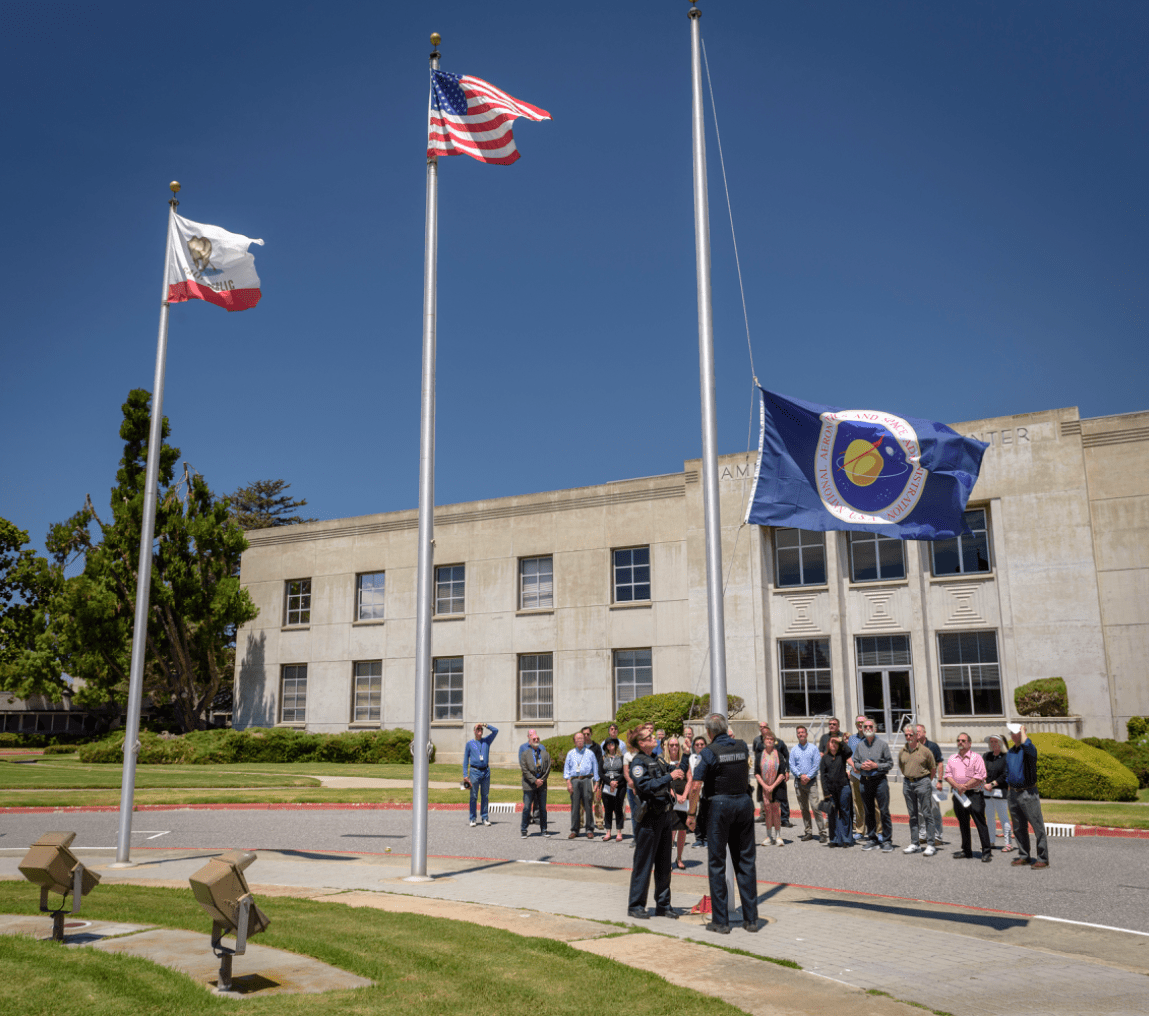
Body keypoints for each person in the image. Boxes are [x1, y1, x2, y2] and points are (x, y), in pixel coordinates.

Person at [692, 713, 759, 934]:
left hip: (719, 807)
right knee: (745, 862)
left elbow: (695, 785)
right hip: (743, 803)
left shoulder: (709, 752)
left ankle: (721, 922)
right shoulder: (741, 746)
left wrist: (691, 814)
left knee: (717, 864)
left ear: (709, 732)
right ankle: (751, 920)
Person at [626, 728, 683, 920]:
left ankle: (663, 905)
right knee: (643, 864)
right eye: (649, 737)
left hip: (665, 816)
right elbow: (644, 786)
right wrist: (669, 777)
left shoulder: (657, 759)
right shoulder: (638, 763)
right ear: (641, 743)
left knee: (664, 864)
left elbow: (668, 769)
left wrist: (675, 769)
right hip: (649, 818)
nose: (653, 739)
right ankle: (635, 905)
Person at [1005, 723, 1049, 869]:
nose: (1012, 735)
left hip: (1028, 793)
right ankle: (1024, 856)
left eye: (1015, 732)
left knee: (1037, 827)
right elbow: (1008, 771)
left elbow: (1027, 744)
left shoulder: (1029, 749)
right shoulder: (1011, 752)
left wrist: (1023, 731)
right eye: (1010, 733)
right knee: (1018, 827)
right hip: (1013, 794)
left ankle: (1042, 858)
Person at [944, 732, 993, 862]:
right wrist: (957, 786)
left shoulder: (976, 758)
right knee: (963, 823)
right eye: (958, 740)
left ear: (969, 744)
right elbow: (947, 775)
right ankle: (966, 851)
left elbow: (980, 775)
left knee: (980, 823)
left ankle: (986, 851)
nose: (960, 742)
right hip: (959, 795)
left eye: (963, 741)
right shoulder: (952, 758)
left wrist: (964, 786)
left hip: (974, 794)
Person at [853, 720, 894, 852]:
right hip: (865, 781)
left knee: (884, 811)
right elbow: (855, 762)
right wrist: (861, 766)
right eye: (866, 726)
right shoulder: (860, 746)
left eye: (871, 726)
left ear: (875, 728)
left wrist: (876, 766)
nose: (868, 728)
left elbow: (890, 764)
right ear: (863, 729)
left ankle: (887, 840)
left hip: (879, 781)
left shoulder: (882, 744)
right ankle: (872, 839)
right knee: (868, 811)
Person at [898, 725, 938, 856]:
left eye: (911, 735)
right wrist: (910, 777)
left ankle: (931, 844)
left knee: (927, 814)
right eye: (906, 735)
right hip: (908, 783)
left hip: (923, 783)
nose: (908, 737)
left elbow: (933, 768)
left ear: (916, 735)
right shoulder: (902, 751)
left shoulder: (925, 751)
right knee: (913, 815)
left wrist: (925, 781)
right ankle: (915, 843)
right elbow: (901, 766)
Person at [789, 725, 826, 842]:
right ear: (797, 735)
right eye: (798, 733)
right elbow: (792, 765)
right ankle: (808, 832)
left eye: (802, 732)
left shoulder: (813, 748)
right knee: (804, 808)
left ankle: (822, 833)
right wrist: (800, 776)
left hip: (811, 783)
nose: (801, 734)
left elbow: (817, 764)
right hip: (799, 783)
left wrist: (808, 777)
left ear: (806, 734)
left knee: (815, 807)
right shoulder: (794, 750)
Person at [753, 723, 793, 827]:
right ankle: (767, 817)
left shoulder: (779, 743)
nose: (767, 737)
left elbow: (787, 756)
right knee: (765, 797)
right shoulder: (759, 744)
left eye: (768, 733)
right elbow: (757, 758)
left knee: (782, 797)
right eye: (764, 735)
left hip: (779, 774)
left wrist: (787, 771)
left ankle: (784, 819)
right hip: (765, 776)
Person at [820, 734, 854, 846]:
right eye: (831, 742)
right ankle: (834, 839)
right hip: (831, 791)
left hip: (843, 788)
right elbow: (823, 776)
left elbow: (849, 752)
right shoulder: (825, 758)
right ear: (828, 745)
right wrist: (826, 793)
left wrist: (840, 742)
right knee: (832, 814)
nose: (833, 744)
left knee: (845, 812)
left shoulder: (842, 755)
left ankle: (846, 839)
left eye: (835, 743)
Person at [564, 731, 599, 839]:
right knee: (575, 807)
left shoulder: (590, 753)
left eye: (581, 738)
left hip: (587, 780)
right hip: (575, 780)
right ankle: (575, 830)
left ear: (584, 740)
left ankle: (589, 829)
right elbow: (567, 770)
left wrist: (597, 782)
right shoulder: (570, 753)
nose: (580, 740)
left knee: (588, 805)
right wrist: (568, 782)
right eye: (577, 739)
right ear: (574, 741)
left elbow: (595, 768)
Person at [917, 723, 947, 846]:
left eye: (919, 731)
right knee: (920, 810)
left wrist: (940, 780)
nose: (917, 733)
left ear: (924, 733)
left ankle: (937, 837)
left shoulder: (933, 746)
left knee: (934, 809)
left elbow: (940, 763)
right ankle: (922, 835)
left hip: (932, 781)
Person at [982, 734, 1014, 851]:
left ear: (1001, 743)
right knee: (989, 818)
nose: (993, 744)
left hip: (1000, 791)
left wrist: (992, 784)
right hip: (986, 792)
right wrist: (984, 783)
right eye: (991, 742)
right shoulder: (986, 756)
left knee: (1003, 818)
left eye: (996, 741)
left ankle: (1008, 844)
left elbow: (1005, 774)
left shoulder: (1007, 756)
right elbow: (981, 771)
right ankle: (991, 842)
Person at [756, 731, 788, 846]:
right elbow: (756, 773)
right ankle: (769, 836)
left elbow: (782, 773)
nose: (769, 741)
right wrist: (765, 786)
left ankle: (778, 836)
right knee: (768, 812)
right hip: (764, 788)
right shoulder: (759, 755)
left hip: (777, 787)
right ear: (764, 741)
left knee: (775, 811)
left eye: (771, 739)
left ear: (774, 741)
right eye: (767, 739)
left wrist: (772, 786)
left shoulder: (778, 755)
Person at [463, 722, 498, 827]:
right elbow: (465, 760)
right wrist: (465, 775)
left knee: (485, 795)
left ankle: (485, 818)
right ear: (474, 731)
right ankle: (472, 818)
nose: (480, 731)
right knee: (473, 796)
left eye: (481, 729)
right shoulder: (469, 744)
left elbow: (496, 731)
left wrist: (484, 724)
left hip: (486, 771)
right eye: (478, 729)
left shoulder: (486, 741)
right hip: (474, 771)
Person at [664, 737, 690, 868]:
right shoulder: (664, 762)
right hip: (671, 800)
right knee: (671, 831)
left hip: (684, 800)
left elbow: (690, 779)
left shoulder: (684, 762)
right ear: (668, 747)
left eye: (676, 745)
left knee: (682, 831)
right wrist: (676, 796)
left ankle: (679, 858)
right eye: (671, 745)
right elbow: (664, 783)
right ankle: (666, 860)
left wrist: (684, 795)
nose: (674, 747)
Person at [846, 715, 874, 840]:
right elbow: (848, 755)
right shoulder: (851, 739)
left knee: (871, 804)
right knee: (857, 803)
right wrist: (853, 766)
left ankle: (874, 830)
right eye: (858, 722)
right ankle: (860, 830)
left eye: (862, 722)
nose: (860, 724)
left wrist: (863, 767)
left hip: (868, 775)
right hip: (855, 775)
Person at [600, 737, 626, 841]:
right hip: (607, 785)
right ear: (606, 746)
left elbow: (624, 772)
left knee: (618, 809)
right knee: (608, 809)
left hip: (619, 785)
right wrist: (609, 782)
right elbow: (600, 772)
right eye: (608, 744)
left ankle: (619, 832)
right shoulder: (603, 758)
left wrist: (616, 781)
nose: (610, 745)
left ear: (616, 745)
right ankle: (608, 832)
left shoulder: (621, 757)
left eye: (612, 744)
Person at [582, 725, 606, 830]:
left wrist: (598, 778)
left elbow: (600, 762)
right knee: (582, 801)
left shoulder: (596, 747)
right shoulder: (579, 747)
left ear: (591, 734)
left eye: (588, 734)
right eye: (584, 734)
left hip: (595, 778)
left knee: (597, 801)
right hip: (582, 778)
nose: (586, 736)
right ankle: (580, 822)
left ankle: (599, 821)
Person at [687, 735, 709, 849]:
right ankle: (698, 838)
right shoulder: (691, 758)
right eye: (697, 745)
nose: (700, 746)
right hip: (694, 789)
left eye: (702, 744)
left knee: (704, 814)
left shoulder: (709, 757)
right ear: (694, 746)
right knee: (694, 814)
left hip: (705, 788)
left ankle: (706, 839)